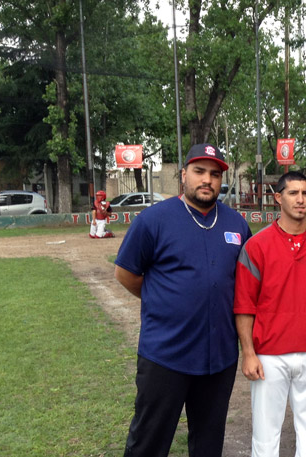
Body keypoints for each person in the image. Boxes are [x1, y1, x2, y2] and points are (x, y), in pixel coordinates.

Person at [114, 143, 252, 457]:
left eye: (215, 174)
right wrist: (162, 301)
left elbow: (245, 282)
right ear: (183, 175)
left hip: (219, 356)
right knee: (149, 440)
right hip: (166, 353)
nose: (207, 180)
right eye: (199, 171)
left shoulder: (236, 224)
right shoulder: (153, 220)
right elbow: (126, 274)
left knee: (208, 441)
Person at [234, 171, 306, 457]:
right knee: (266, 432)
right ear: (278, 198)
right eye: (293, 193)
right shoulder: (257, 246)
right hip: (269, 354)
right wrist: (248, 353)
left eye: (305, 193)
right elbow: (244, 305)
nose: (301, 199)